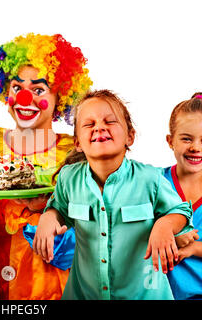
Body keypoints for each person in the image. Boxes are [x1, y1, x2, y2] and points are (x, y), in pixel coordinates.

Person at [0, 33, 92, 299]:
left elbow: (89, 228)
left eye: (39, 90)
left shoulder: (75, 153)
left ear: (60, 97)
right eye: (17, 88)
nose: (25, 98)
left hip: (48, 286)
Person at [33, 89, 194, 300]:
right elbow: (59, 209)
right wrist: (48, 217)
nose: (99, 127)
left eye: (110, 121)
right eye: (89, 124)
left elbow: (181, 210)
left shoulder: (149, 178)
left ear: (130, 136)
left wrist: (164, 225)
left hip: (145, 294)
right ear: (78, 143)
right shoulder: (68, 178)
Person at [164, 94, 202, 299]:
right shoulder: (152, 183)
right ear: (170, 141)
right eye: (186, 138)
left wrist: (194, 248)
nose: (195, 147)